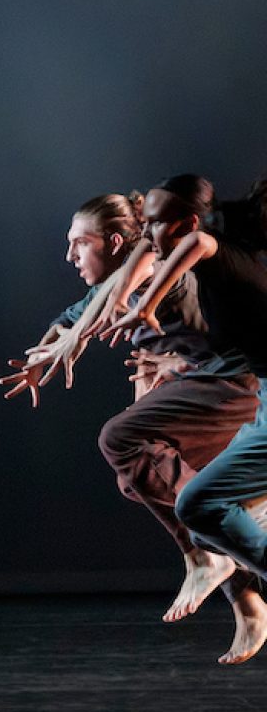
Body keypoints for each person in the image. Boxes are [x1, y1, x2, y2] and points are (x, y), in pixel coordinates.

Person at [0, 192, 265, 665]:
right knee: (138, 479)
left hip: (235, 385)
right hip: (205, 387)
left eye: (79, 244)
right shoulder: (106, 288)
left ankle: (210, 556)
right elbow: (69, 318)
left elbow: (137, 273)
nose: (70, 257)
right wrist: (40, 357)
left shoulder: (163, 270)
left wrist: (114, 335)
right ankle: (245, 595)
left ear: (116, 240)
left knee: (120, 438)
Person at [107, 176, 267, 612]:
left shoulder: (212, 249)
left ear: (187, 222)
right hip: (259, 395)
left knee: (197, 505)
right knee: (191, 506)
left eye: (157, 223)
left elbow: (196, 240)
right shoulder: (234, 261)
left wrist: (144, 306)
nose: (147, 234)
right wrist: (177, 362)